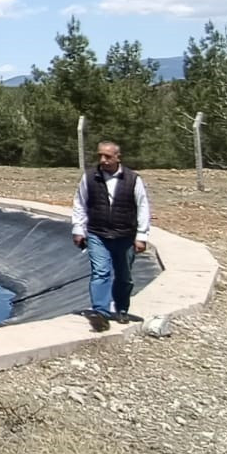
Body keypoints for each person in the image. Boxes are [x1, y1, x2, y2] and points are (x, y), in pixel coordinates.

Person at [71, 141, 151, 332]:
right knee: (100, 272)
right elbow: (80, 204)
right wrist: (78, 229)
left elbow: (143, 207)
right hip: (98, 234)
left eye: (107, 156)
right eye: (100, 156)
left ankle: (122, 309)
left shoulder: (133, 179)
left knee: (124, 276)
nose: (103, 160)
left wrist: (141, 235)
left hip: (125, 236)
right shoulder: (90, 178)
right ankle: (101, 313)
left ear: (118, 157)